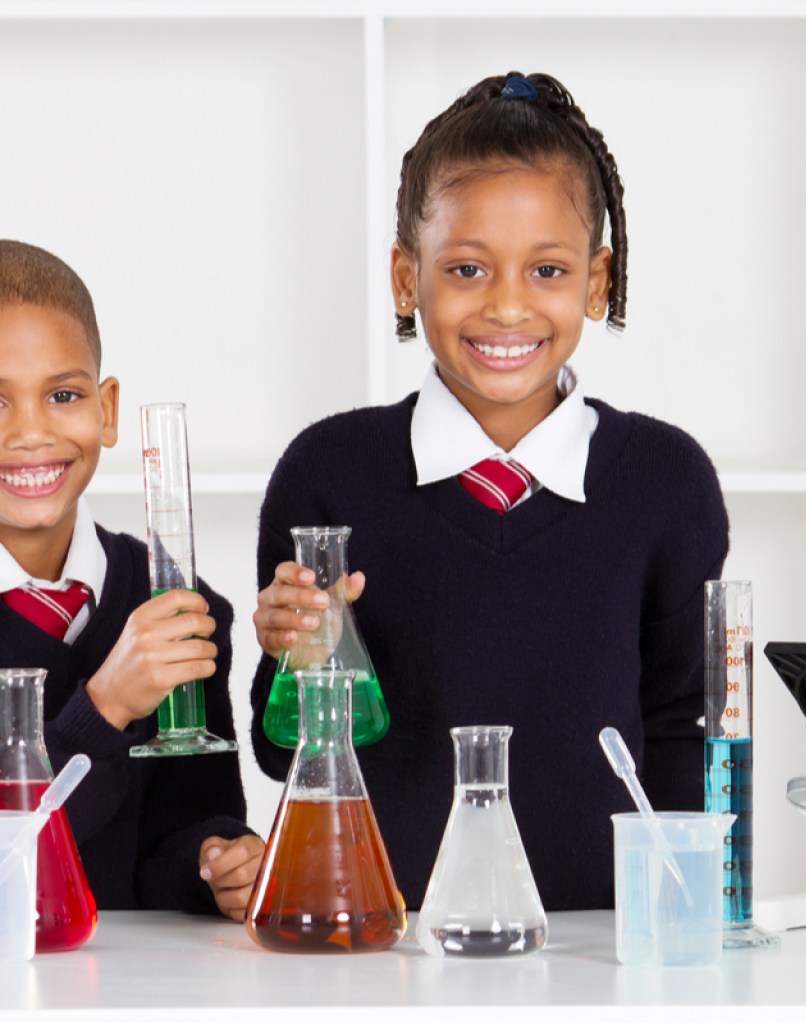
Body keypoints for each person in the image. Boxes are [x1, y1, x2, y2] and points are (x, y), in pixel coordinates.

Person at [251, 72, 728, 911]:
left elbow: (685, 724)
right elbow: (276, 744)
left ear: (597, 281)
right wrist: (302, 659)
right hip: (380, 941)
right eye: (467, 268)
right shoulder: (330, 472)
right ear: (408, 279)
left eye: (547, 269)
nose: (507, 307)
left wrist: (686, 920)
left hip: (608, 946)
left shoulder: (665, 482)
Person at [0, 240, 263, 920]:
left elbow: (176, 833)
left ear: (107, 408)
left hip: (129, 993)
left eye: (62, 395)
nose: (30, 433)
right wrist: (106, 706)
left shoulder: (174, 604)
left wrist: (215, 863)